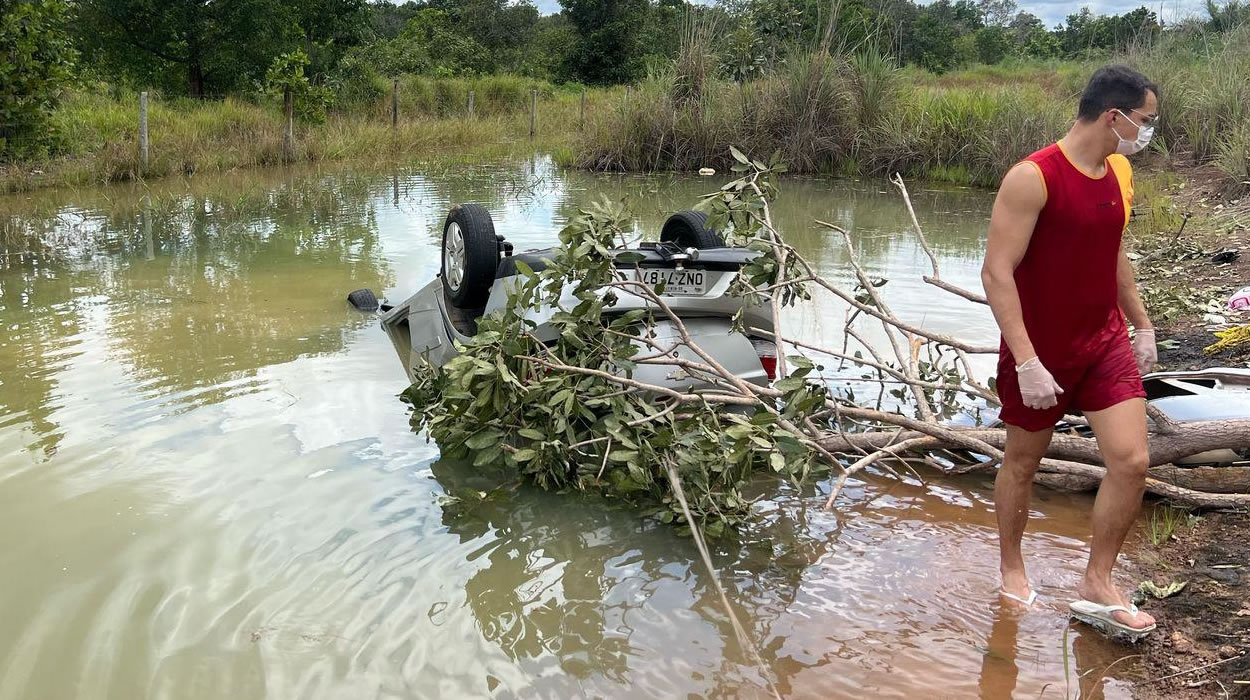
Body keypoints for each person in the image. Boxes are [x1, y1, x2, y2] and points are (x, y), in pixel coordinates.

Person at [981, 65, 1160, 638]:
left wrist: (1143, 325)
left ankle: (1097, 582)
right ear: (1116, 116)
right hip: (1042, 349)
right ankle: (1012, 567)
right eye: (1146, 121)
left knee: (1132, 463)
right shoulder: (1034, 177)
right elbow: (996, 273)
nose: (1148, 132)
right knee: (1022, 463)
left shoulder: (1117, 171)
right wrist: (1027, 360)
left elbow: (1113, 254)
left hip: (1102, 341)